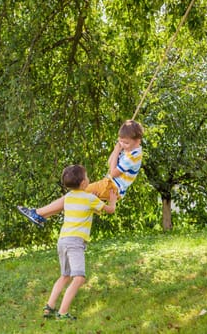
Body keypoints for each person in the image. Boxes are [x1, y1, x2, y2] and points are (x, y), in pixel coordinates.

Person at [17, 119, 143, 227]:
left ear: (138, 141)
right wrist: (119, 148)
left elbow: (113, 172)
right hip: (109, 184)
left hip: (111, 186)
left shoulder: (133, 157)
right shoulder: (129, 150)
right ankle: (42, 216)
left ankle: (38, 213)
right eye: (121, 142)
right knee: (74, 197)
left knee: (72, 196)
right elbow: (109, 162)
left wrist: (117, 151)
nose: (123, 145)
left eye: (126, 143)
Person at [42, 164, 117, 320]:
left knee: (65, 276)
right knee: (79, 278)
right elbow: (109, 210)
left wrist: (94, 197)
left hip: (63, 240)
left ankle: (49, 308)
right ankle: (62, 313)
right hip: (75, 242)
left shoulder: (68, 197)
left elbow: (85, 201)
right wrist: (113, 200)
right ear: (84, 183)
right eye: (87, 176)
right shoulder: (89, 198)